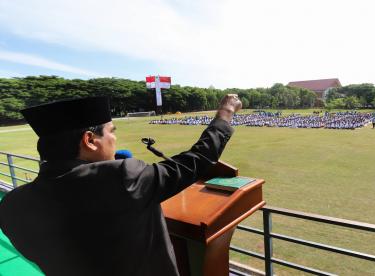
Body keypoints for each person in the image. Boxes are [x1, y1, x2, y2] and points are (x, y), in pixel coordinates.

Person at [0, 94, 242, 276]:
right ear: (90, 140)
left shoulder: (11, 206)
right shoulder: (122, 178)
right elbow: (194, 162)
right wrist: (225, 112)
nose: (115, 140)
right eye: (111, 132)